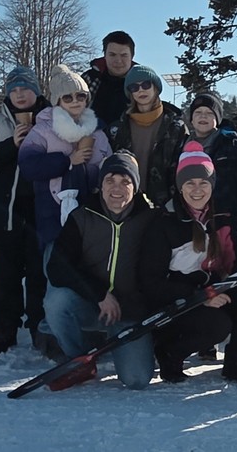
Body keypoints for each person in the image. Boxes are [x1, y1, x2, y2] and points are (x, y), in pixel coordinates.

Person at [141, 142, 237, 385]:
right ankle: (170, 353)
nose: (197, 190)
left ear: (212, 184)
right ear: (180, 186)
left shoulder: (222, 215)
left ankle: (236, 362)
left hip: (213, 289)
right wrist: (201, 296)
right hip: (177, 302)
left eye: (203, 182)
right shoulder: (164, 221)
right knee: (218, 325)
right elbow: (152, 283)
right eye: (190, 183)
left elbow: (233, 259)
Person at [43, 152, 158, 390]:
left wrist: (134, 308)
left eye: (125, 182)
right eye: (110, 180)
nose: (117, 188)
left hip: (129, 312)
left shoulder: (151, 219)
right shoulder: (82, 216)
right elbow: (58, 267)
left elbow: (157, 273)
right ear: (101, 185)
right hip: (90, 304)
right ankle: (78, 359)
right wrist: (99, 294)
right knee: (56, 302)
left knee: (137, 379)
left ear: (135, 187)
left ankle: (123, 343)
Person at [0, 65, 50, 357]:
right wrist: (11, 145)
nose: (19, 95)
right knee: (5, 277)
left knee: (39, 275)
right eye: (14, 90)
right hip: (5, 212)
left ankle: (39, 330)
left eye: (25, 89)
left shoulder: (50, 118)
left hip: (40, 212)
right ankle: (4, 332)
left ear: (36, 91)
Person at [186, 92, 237, 362]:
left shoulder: (232, 144)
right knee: (204, 279)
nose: (203, 117)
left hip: (230, 223)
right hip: (197, 224)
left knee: (234, 282)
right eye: (198, 113)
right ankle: (206, 340)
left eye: (209, 113)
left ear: (217, 118)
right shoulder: (184, 145)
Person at [17, 64, 112, 253]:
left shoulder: (98, 132)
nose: (75, 101)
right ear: (58, 101)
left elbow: (108, 167)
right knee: (55, 263)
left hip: (90, 211)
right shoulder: (43, 130)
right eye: (68, 97)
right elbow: (28, 166)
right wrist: (68, 161)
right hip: (52, 212)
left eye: (81, 96)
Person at [107, 64, 188, 209]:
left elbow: (182, 168)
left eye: (146, 85)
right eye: (134, 87)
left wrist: (175, 201)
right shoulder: (117, 129)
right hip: (126, 203)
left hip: (164, 205)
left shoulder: (176, 127)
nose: (141, 90)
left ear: (155, 87)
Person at [83, 30, 137, 126]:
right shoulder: (89, 79)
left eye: (124, 55)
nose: (118, 60)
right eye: (112, 54)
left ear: (132, 56)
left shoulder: (141, 83)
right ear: (105, 55)